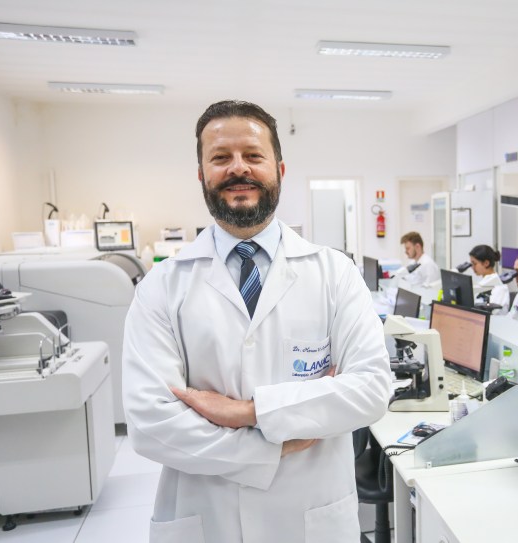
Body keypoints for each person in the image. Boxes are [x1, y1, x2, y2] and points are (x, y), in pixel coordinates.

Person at [122, 100, 391, 543]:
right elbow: (152, 424)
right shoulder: (162, 286)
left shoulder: (335, 273)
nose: (238, 168)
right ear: (201, 174)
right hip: (207, 518)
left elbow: (371, 390)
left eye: (253, 155)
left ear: (279, 170)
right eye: (220, 157)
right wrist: (274, 445)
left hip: (311, 518)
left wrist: (249, 412)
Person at [468, 244, 514, 310]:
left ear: (486, 263)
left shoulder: (500, 287)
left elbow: (495, 311)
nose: (472, 267)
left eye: (474, 264)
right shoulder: (482, 282)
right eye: (471, 264)